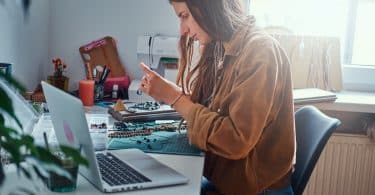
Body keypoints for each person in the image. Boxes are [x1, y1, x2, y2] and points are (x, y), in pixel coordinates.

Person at [139, 0, 296, 194]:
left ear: (208, 6)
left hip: (256, 189)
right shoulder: (225, 44)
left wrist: (175, 98)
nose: (183, 30)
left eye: (184, 16)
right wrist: (174, 93)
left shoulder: (260, 51)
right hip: (228, 180)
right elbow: (219, 109)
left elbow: (235, 140)